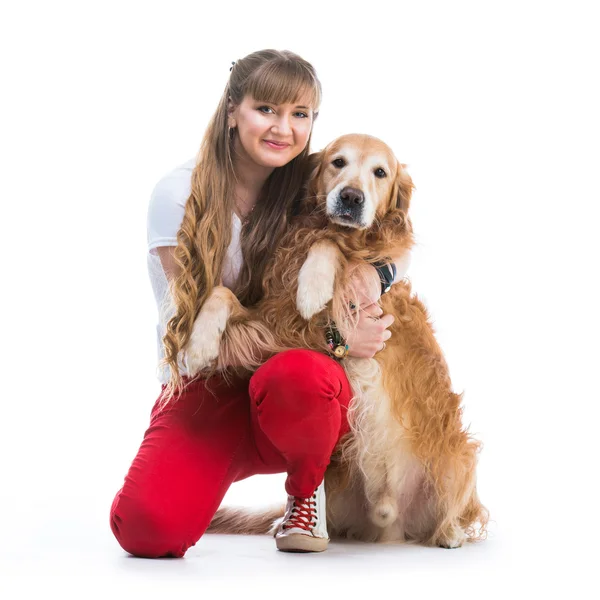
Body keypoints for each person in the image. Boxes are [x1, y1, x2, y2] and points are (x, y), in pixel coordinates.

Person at [109, 49, 410, 557]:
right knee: (146, 528)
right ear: (232, 110)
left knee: (303, 376)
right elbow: (198, 338)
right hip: (206, 384)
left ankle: (305, 491)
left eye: (300, 115)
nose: (283, 128)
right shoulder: (178, 195)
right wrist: (337, 338)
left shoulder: (310, 183)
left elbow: (392, 241)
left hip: (294, 396)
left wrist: (374, 273)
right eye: (266, 109)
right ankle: (200, 484)